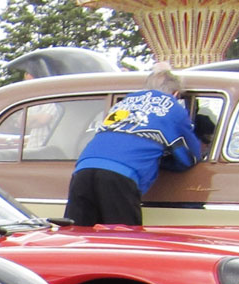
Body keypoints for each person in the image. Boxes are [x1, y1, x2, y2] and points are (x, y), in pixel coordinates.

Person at [64, 68, 201, 226]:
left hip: (83, 170)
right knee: (124, 239)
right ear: (176, 94)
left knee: (77, 236)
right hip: (120, 176)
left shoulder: (124, 103)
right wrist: (163, 163)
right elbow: (190, 157)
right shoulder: (173, 108)